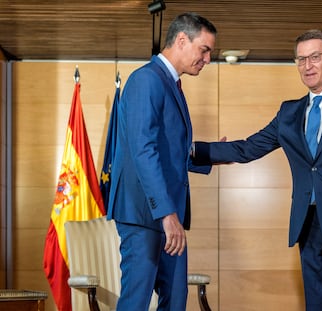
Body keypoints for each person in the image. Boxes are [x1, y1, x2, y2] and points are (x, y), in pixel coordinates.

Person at [193, 29, 322, 311]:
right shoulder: (289, 112)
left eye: (314, 57)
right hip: (307, 227)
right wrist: (190, 151)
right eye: (300, 59)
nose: (307, 66)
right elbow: (247, 148)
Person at [106, 12, 216, 311]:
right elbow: (142, 149)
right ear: (182, 40)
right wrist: (167, 215)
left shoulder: (171, 84)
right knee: (136, 301)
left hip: (168, 215)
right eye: (204, 50)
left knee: (175, 299)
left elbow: (170, 149)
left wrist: (213, 157)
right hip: (146, 215)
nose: (207, 59)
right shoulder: (146, 80)